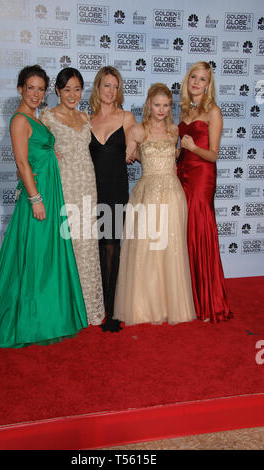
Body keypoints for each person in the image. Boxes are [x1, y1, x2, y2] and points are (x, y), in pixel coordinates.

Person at [0, 65, 88, 348]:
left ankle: (46, 315)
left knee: (46, 257)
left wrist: (53, 154)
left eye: (41, 89)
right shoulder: (19, 121)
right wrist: (35, 199)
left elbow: (37, 152)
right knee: (36, 258)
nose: (36, 94)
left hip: (51, 190)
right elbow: (22, 162)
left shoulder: (34, 119)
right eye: (31, 88)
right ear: (20, 89)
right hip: (38, 198)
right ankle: (31, 319)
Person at [113, 83, 196, 326]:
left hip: (172, 193)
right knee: (146, 250)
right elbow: (131, 155)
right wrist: (130, 152)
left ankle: (170, 304)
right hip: (146, 193)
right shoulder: (137, 131)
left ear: (170, 107)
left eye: (166, 105)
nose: (161, 109)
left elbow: (176, 160)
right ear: (149, 104)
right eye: (157, 104)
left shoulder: (173, 130)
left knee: (171, 250)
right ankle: (143, 306)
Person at [40, 68, 104, 326]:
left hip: (87, 185)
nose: (72, 94)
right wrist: (48, 156)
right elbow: (37, 150)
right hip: (64, 187)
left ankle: (89, 308)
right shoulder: (47, 117)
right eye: (67, 89)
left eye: (77, 89)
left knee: (86, 244)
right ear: (57, 90)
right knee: (64, 244)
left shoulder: (85, 117)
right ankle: (65, 308)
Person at [177, 61, 233, 322]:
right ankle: (189, 298)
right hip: (182, 174)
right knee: (185, 232)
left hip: (202, 177)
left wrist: (192, 147)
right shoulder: (183, 111)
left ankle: (208, 300)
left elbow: (212, 155)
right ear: (188, 81)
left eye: (203, 79)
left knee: (200, 232)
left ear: (209, 85)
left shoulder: (214, 112)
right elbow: (181, 148)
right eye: (194, 78)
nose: (197, 82)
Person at [89, 66, 136, 332]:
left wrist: (135, 147)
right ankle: (96, 304)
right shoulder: (87, 120)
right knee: (94, 247)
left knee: (111, 246)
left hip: (116, 189)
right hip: (92, 191)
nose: (111, 91)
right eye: (107, 85)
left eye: (115, 86)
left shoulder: (127, 117)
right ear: (98, 88)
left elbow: (140, 143)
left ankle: (113, 307)